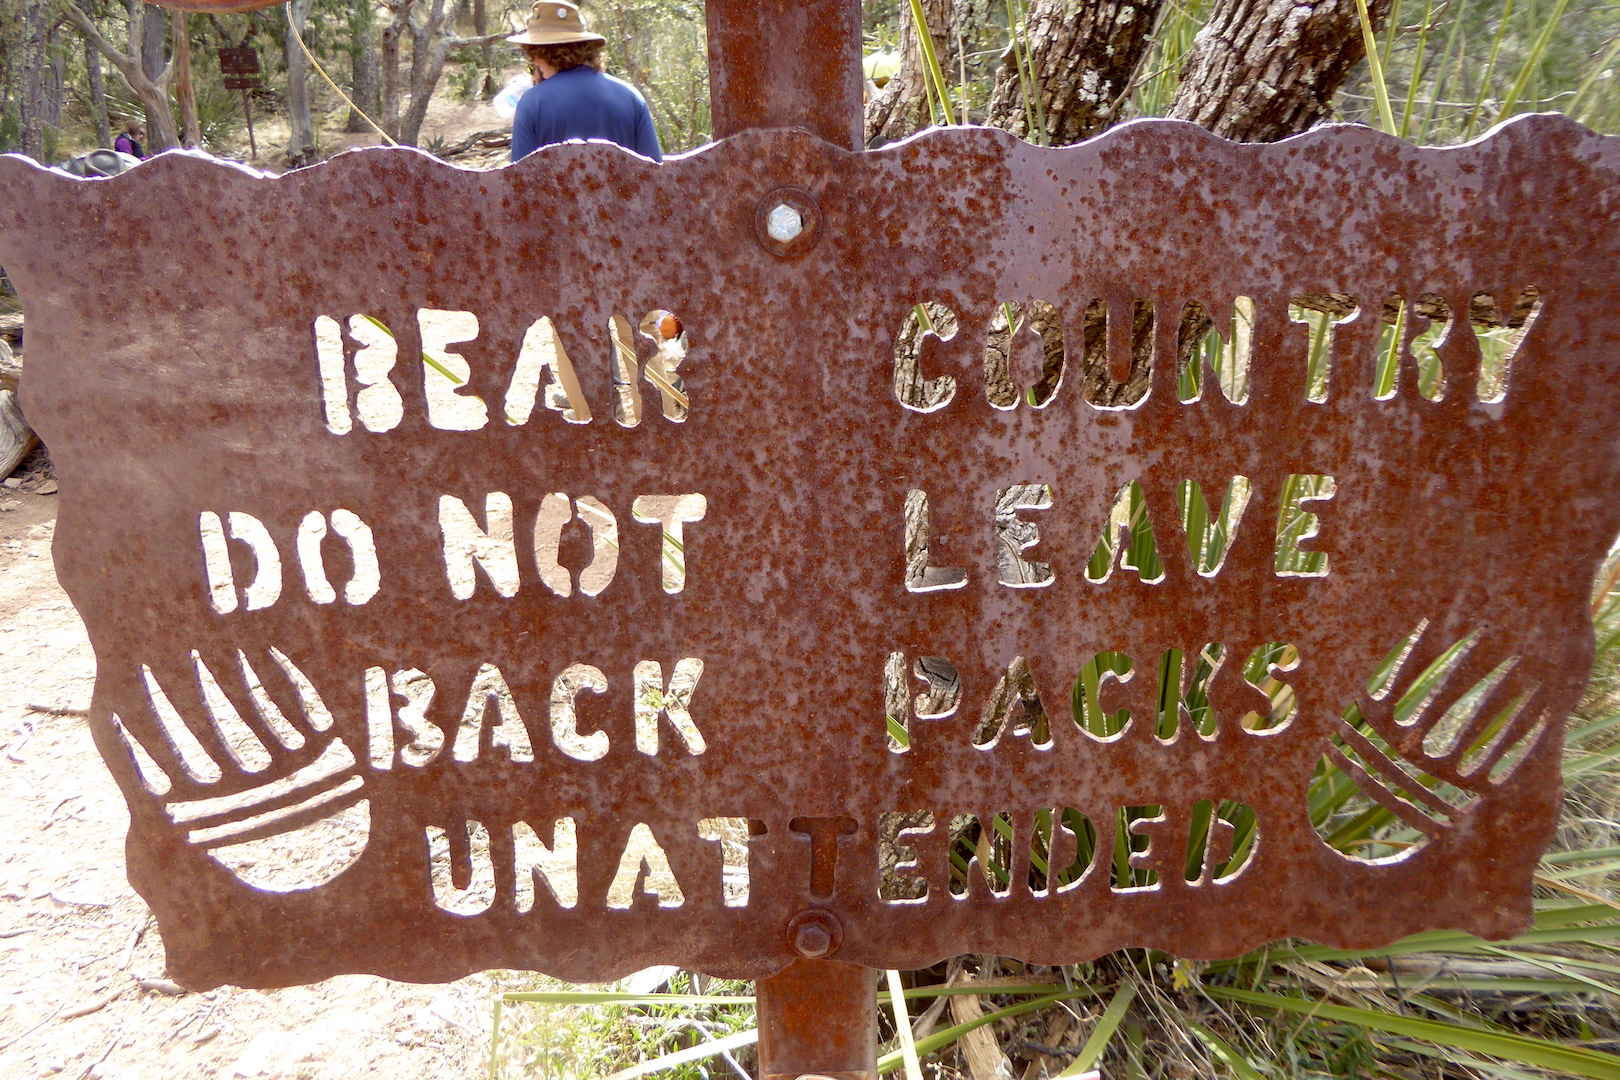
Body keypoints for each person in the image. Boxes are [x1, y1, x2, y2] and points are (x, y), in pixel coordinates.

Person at [506, 2, 662, 163]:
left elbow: (519, 174)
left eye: (532, 57)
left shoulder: (532, 103)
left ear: (540, 54)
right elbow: (654, 170)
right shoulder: (631, 97)